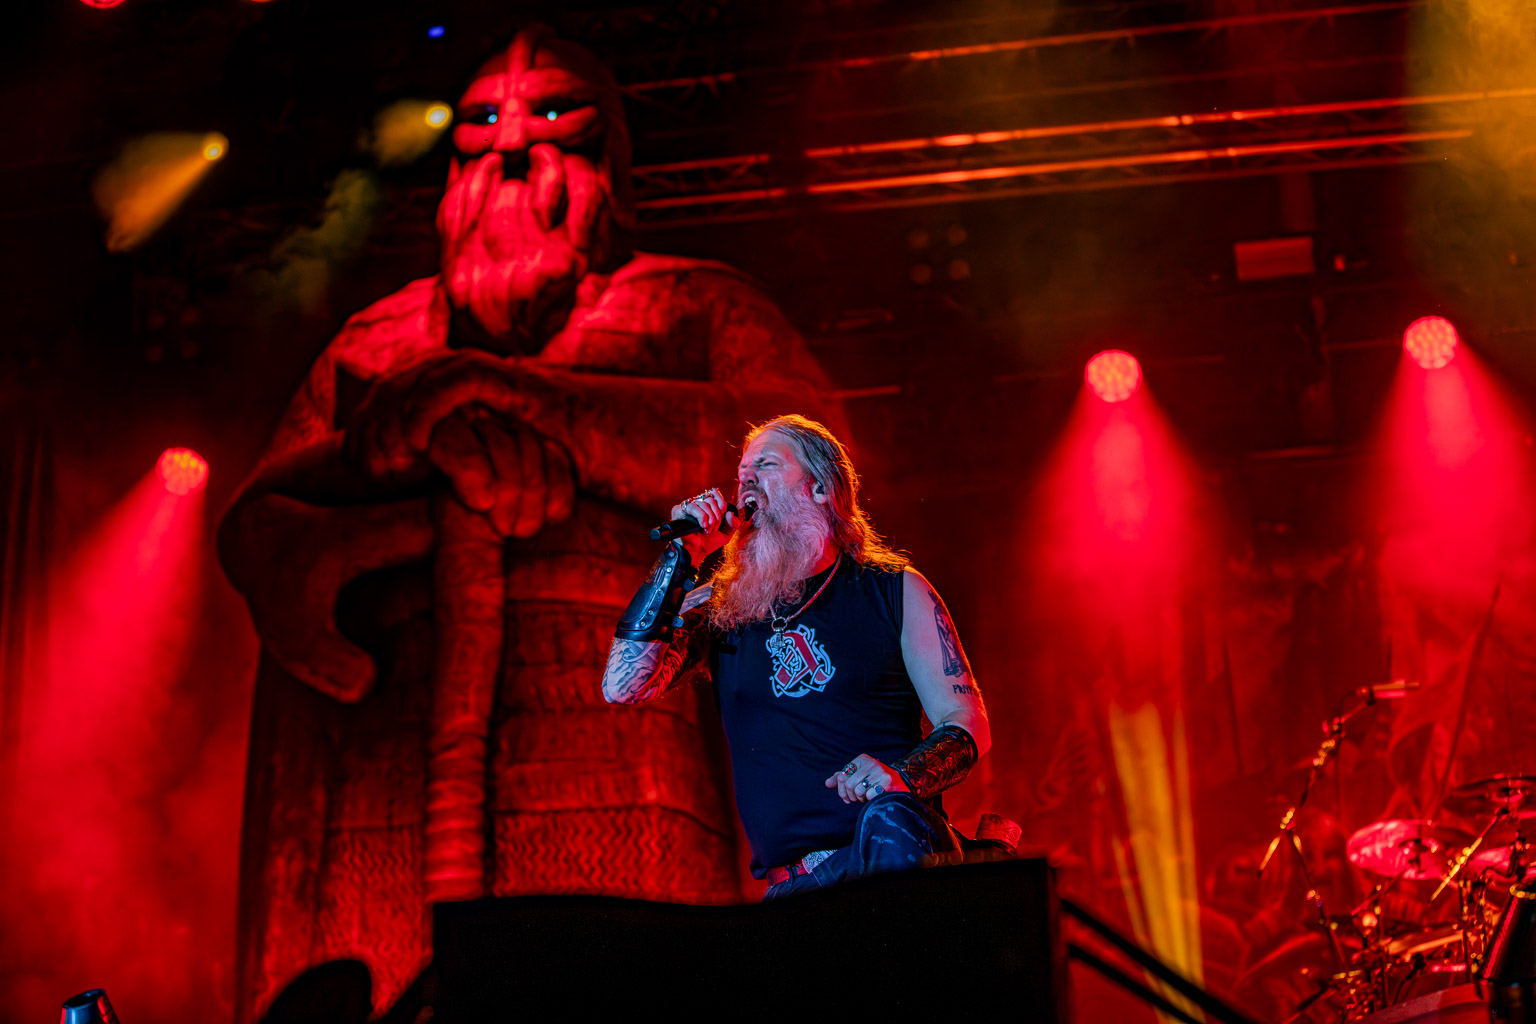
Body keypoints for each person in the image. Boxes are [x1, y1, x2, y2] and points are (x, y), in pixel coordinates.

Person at [218, 25, 838, 1019]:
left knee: (639, 991)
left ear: (609, 156)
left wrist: (524, 402)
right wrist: (379, 496)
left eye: (551, 115)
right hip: (385, 773)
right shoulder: (373, 344)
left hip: (631, 759)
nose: (510, 146)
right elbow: (260, 523)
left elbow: (811, 461)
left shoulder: (693, 306)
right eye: (478, 126)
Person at [602, 415, 991, 898]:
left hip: (888, 854)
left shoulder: (893, 590)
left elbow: (966, 721)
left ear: (821, 489)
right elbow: (623, 686)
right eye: (742, 473)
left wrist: (904, 778)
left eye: (765, 465)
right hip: (794, 889)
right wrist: (682, 555)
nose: (746, 480)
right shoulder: (720, 606)